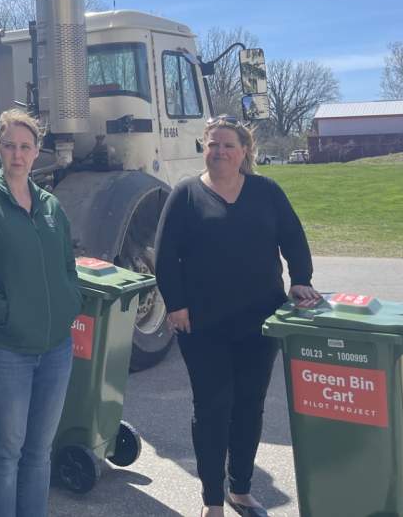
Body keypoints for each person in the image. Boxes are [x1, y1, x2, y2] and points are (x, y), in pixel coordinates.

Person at [155, 115, 322, 517]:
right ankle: (212, 499)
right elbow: (165, 258)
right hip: (202, 327)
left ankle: (241, 489)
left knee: (250, 405)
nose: (220, 152)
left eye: (228, 145)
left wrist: (301, 279)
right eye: (213, 144)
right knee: (211, 408)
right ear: (204, 148)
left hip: (258, 322)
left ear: (245, 150)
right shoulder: (186, 195)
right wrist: (176, 305)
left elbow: (293, 238)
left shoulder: (267, 192)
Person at [0, 109, 82, 517]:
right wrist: (1, 312)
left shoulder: (49, 206)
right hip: (5, 350)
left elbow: (66, 262)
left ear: (37, 151)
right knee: (6, 454)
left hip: (55, 349)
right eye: (10, 146)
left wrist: (67, 303)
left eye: (25, 147)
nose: (18, 155)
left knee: (39, 453)